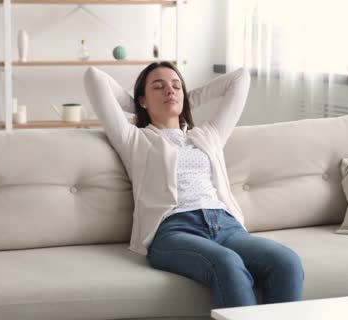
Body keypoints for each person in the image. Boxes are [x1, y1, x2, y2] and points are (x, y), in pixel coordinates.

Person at [84, 62, 304, 308]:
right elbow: (94, 78)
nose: (170, 90)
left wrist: (183, 98)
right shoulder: (134, 139)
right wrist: (137, 102)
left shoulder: (209, 136)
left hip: (226, 227)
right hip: (175, 231)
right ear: (143, 101)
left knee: (287, 262)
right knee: (227, 263)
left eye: (176, 86)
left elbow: (240, 79)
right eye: (159, 87)